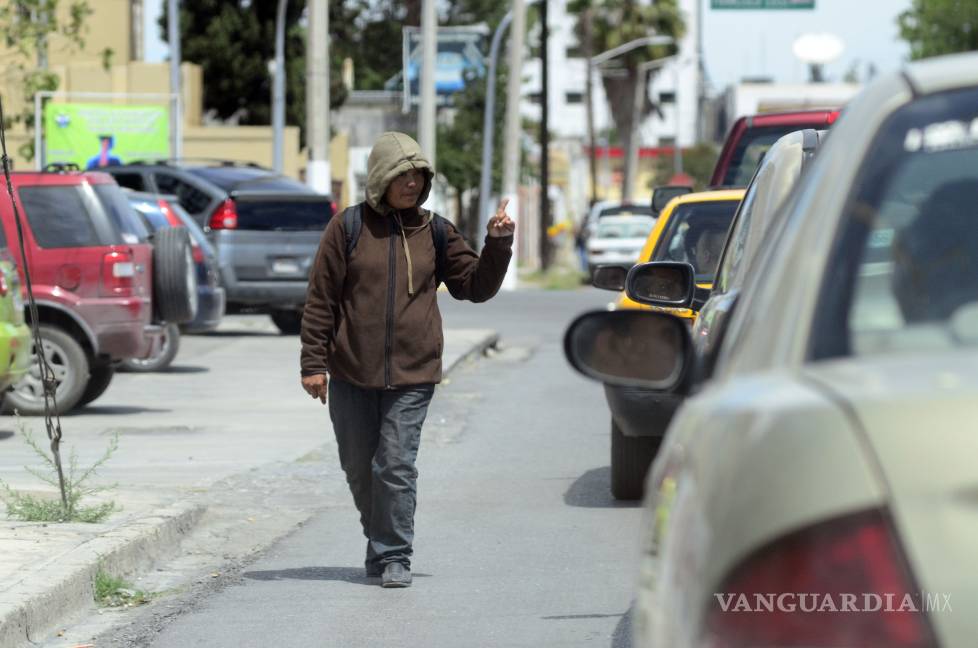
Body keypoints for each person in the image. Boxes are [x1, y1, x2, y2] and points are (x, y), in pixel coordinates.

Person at [299, 132, 515, 589]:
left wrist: (498, 246)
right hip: (351, 371)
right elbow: (321, 299)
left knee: (394, 464)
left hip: (414, 373)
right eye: (402, 176)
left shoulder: (435, 230)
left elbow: (474, 287)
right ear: (381, 179)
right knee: (360, 468)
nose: (412, 184)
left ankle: (395, 553)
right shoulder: (347, 228)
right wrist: (313, 362)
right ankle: (379, 540)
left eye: (418, 175)